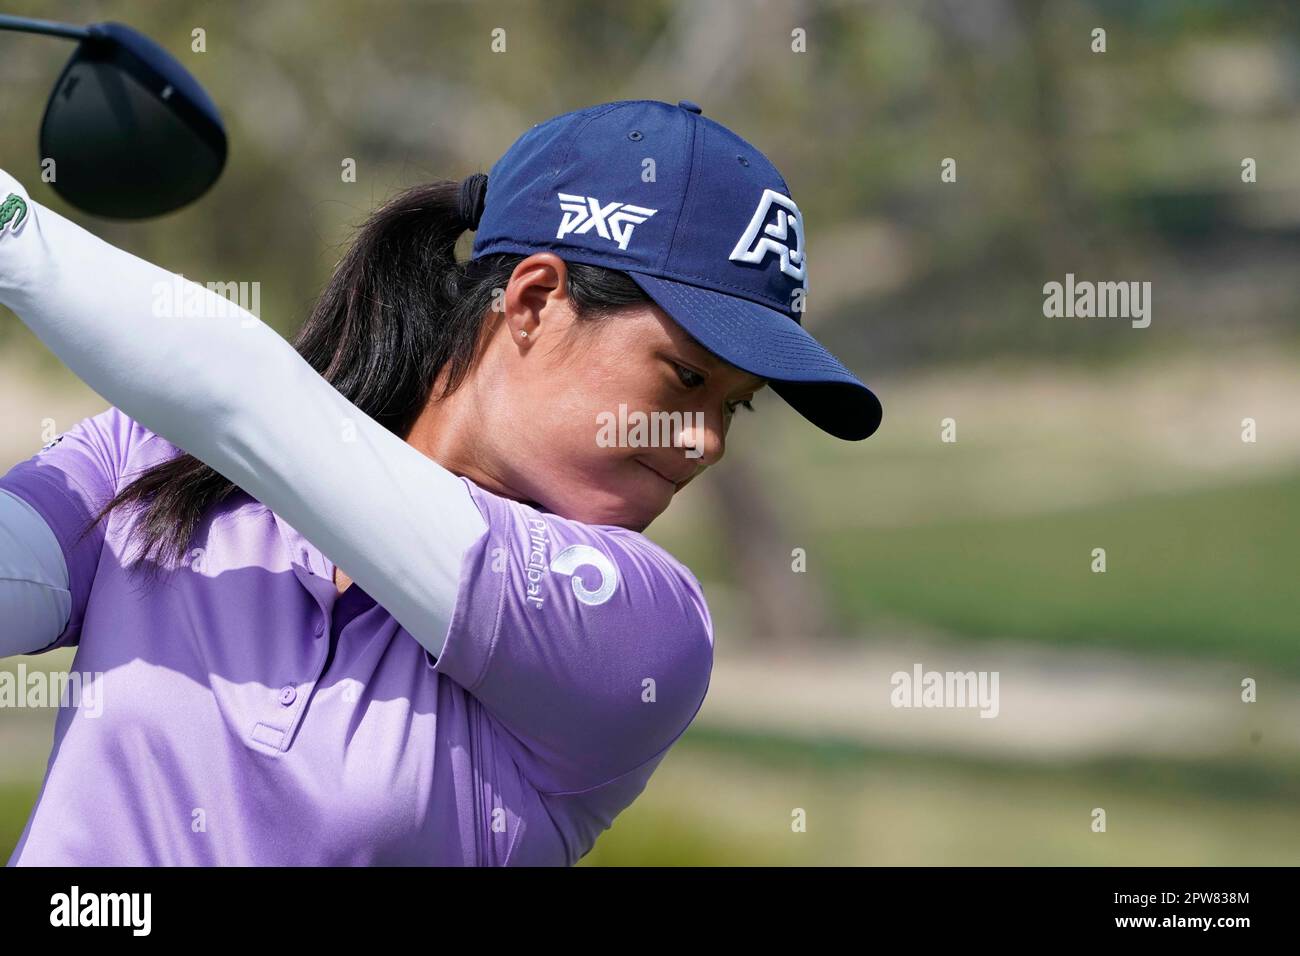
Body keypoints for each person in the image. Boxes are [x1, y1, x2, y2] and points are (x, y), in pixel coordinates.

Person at [0, 98, 882, 865]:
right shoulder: (163, 466)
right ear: (533, 301)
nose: (709, 443)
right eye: (687, 379)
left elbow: (249, 403)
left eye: (739, 406)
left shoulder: (646, 631)